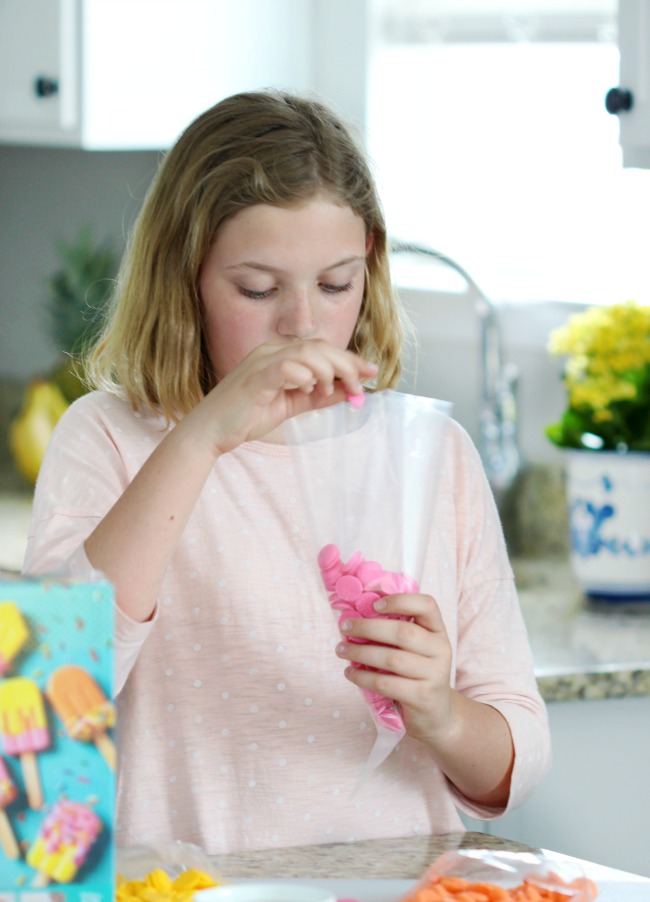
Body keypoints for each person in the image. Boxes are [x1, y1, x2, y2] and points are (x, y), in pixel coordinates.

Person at [23, 90, 550, 855]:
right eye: (258, 289)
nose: (302, 324)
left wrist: (438, 709)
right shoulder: (108, 440)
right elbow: (47, 697)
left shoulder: (432, 455)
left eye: (335, 284)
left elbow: (514, 763)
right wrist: (202, 437)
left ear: (369, 261)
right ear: (187, 281)